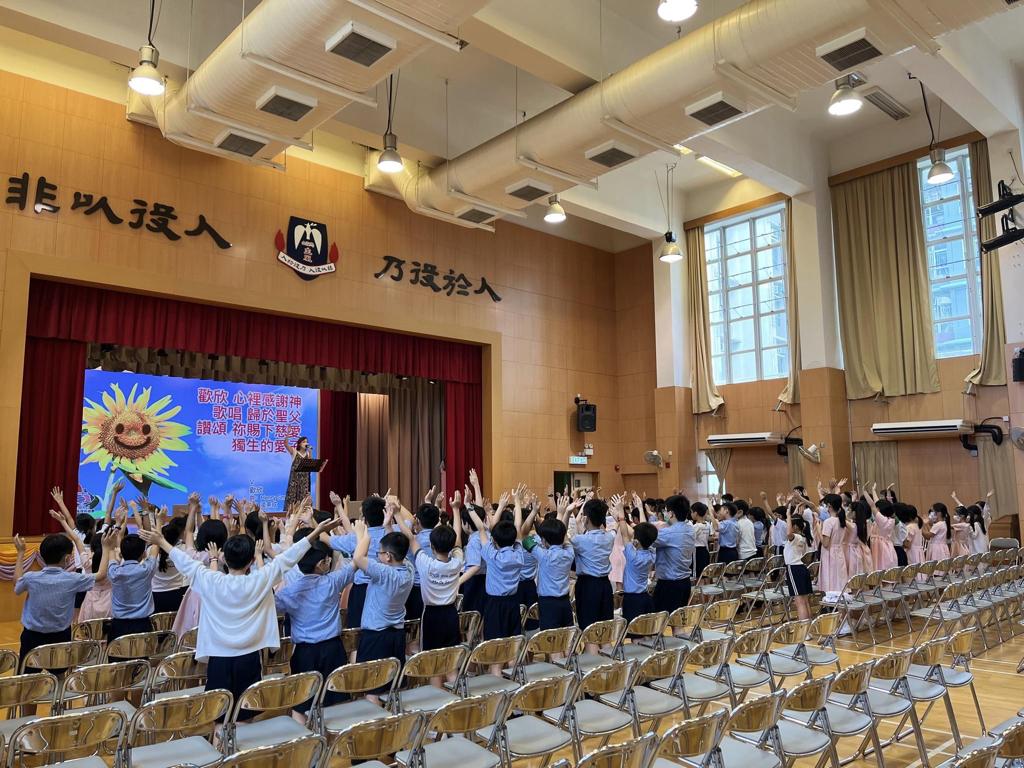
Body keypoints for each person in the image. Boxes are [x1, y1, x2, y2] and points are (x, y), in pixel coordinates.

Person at [142, 515, 343, 719]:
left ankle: (221, 740)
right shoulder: (259, 579)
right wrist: (315, 533)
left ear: (225, 558)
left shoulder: (211, 580)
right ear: (251, 561)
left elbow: (185, 562)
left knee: (219, 717)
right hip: (249, 657)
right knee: (246, 716)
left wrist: (161, 542)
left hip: (219, 658)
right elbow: (288, 558)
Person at [274, 540, 354, 724]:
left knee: (301, 705)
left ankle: (304, 740)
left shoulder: (289, 592)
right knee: (336, 703)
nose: (329, 562)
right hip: (333, 649)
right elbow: (357, 561)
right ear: (320, 564)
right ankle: (332, 739)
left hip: (305, 652)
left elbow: (271, 605)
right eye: (327, 560)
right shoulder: (332, 581)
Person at [14, 531, 112, 673]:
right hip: (60, 636)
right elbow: (101, 574)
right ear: (66, 558)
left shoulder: (30, 578)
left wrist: (20, 553)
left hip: (32, 636)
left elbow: (17, 583)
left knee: (26, 676)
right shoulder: (72, 579)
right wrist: (106, 548)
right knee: (59, 675)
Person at [352, 516, 415, 703]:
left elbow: (358, 558)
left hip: (376, 636)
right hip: (396, 635)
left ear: (388, 556)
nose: (377, 556)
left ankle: (377, 721)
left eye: (379, 553)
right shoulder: (409, 569)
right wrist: (388, 525)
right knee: (392, 685)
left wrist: (363, 536)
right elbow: (398, 548)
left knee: (372, 689)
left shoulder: (384, 573)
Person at [397, 494, 464, 655]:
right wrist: (456, 510)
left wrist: (397, 514)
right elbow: (457, 541)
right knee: (451, 657)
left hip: (431, 615)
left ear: (432, 547)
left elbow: (411, 538)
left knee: (431, 659)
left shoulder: (426, 564)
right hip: (451, 613)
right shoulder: (456, 562)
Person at [468, 496, 526, 645]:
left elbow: (481, 528)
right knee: (512, 643)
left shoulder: (492, 556)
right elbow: (518, 527)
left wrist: (468, 505)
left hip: (494, 604)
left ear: (494, 541)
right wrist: (517, 502)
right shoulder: (519, 555)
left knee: (494, 645)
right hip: (513, 603)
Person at [325, 496, 388, 629]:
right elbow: (409, 522)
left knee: (357, 629)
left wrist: (319, 527)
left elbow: (327, 540)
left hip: (361, 591)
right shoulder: (392, 534)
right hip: (386, 587)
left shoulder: (355, 538)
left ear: (364, 519)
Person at [571, 498, 617, 641]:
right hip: (605, 585)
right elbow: (615, 528)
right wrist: (618, 515)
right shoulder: (609, 537)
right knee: (605, 630)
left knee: (589, 631)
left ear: (586, 518)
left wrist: (567, 513)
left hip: (587, 586)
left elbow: (562, 536)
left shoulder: (579, 540)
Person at [104, 531, 159, 641]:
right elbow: (155, 548)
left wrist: (110, 546)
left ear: (121, 554)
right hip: (143, 625)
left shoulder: (114, 572)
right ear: (144, 554)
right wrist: (158, 526)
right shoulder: (146, 570)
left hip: (118, 627)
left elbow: (111, 554)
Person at [650, 494, 694, 612]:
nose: (664, 513)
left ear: (671, 514)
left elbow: (646, 536)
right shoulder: (690, 529)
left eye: (665, 510)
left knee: (662, 618)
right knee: (678, 619)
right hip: (685, 582)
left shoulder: (668, 533)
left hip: (669, 584)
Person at [618, 512, 657, 623]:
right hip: (645, 596)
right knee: (645, 629)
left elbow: (624, 535)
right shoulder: (652, 554)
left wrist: (621, 517)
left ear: (637, 541)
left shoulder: (633, 557)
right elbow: (646, 532)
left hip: (632, 599)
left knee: (633, 631)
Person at [152, 520, 189, 614]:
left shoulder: (151, 552)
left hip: (156, 596)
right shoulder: (182, 551)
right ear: (177, 539)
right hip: (177, 595)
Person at [784, 508, 813, 620]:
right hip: (801, 569)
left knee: (799, 602)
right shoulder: (803, 538)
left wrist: (788, 515)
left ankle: (804, 628)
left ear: (795, 527)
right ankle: (808, 626)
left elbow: (788, 533)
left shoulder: (795, 537)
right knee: (805, 601)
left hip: (794, 569)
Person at [818, 494, 848, 593]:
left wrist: (818, 530)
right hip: (839, 552)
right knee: (839, 580)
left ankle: (831, 600)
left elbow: (825, 544)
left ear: (829, 506)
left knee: (830, 580)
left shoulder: (828, 522)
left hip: (829, 553)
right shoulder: (842, 520)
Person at [284, 436, 317, 511]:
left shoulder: (307, 453)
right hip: (295, 480)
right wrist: (287, 435)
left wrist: (310, 452)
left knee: (304, 497)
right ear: (299, 444)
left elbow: (310, 464)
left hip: (304, 480)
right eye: (304, 442)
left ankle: (305, 513)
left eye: (306, 442)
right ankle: (292, 514)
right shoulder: (295, 452)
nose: (306, 443)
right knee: (293, 497)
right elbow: (286, 444)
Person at [691, 503, 712, 579]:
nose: (691, 514)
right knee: (704, 573)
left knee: (697, 574)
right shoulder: (707, 524)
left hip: (697, 552)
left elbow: (691, 539)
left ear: (696, 513)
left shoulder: (695, 527)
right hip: (705, 551)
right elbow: (709, 537)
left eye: (691, 512)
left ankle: (699, 586)